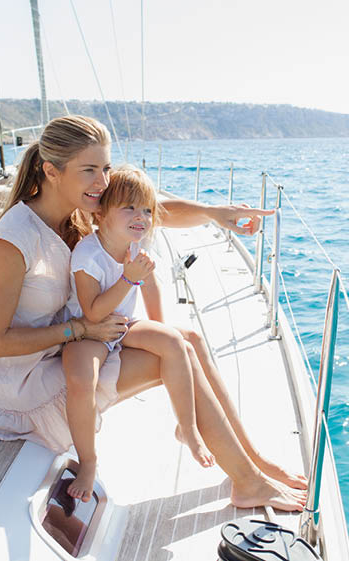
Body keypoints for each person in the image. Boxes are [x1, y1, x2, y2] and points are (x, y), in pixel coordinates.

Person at [0, 115, 307, 512]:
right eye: (89, 170)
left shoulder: (78, 209)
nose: (102, 181)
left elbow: (150, 209)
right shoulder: (15, 239)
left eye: (105, 167)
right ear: (51, 171)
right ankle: (247, 482)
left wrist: (215, 213)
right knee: (176, 356)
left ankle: (253, 461)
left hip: (73, 344)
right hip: (25, 383)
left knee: (189, 339)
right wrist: (77, 330)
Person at [62, 164, 214, 501]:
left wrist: (159, 327)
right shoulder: (87, 253)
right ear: (100, 212)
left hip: (121, 325)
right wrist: (128, 277)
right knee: (80, 379)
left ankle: (186, 428)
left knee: (174, 341)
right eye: (129, 207)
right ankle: (88, 460)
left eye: (146, 209)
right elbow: (93, 311)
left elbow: (150, 288)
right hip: (85, 333)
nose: (141, 216)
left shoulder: (136, 246)